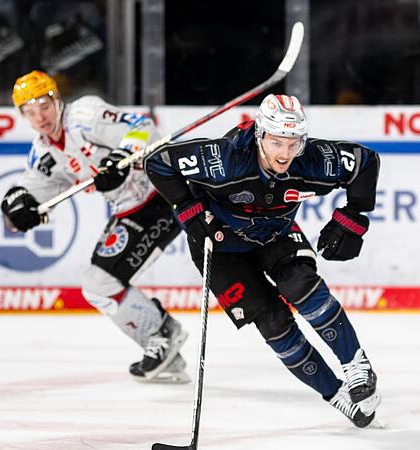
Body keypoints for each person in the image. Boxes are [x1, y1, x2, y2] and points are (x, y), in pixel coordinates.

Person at [143, 93, 382, 427]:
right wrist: (186, 206)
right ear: (259, 135)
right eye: (276, 143)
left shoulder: (311, 159)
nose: (285, 154)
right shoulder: (224, 160)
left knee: (302, 286)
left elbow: (365, 162)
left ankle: (356, 367)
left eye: (293, 143)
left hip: (276, 234)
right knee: (272, 323)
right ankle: (336, 395)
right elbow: (158, 162)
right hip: (221, 246)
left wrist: (352, 218)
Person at [0, 70, 189, 383]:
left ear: (57, 100)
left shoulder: (85, 115)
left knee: (101, 282)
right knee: (98, 285)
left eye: (44, 106)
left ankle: (163, 334)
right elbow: (33, 189)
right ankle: (164, 344)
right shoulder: (44, 152)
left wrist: (121, 155)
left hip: (162, 193)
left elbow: (143, 127)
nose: (41, 117)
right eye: (30, 112)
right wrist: (18, 202)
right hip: (131, 210)